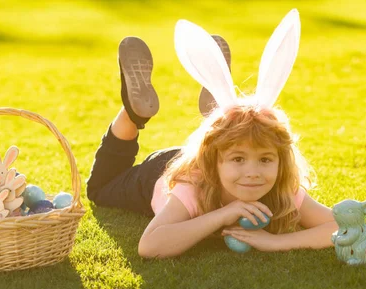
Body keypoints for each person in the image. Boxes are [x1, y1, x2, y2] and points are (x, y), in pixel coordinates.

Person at [87, 10, 338, 258]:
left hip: (209, 151)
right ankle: (133, 115)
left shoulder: (281, 187)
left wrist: (274, 243)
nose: (253, 172)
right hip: (160, 172)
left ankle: (219, 110)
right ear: (212, 160)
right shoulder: (192, 185)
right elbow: (150, 246)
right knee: (99, 189)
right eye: (239, 159)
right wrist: (222, 215)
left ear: (280, 161)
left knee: (233, 143)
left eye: (265, 159)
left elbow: (338, 227)